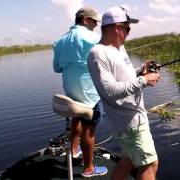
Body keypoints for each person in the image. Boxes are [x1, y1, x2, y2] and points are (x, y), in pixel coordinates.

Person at [87, 6, 160, 180]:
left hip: (134, 118)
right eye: (127, 28)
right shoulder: (98, 54)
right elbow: (109, 91)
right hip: (129, 123)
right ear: (117, 27)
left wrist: (140, 71)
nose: (129, 32)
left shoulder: (119, 48)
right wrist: (144, 80)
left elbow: (123, 77)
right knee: (150, 164)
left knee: (128, 160)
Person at [52, 6, 107, 177]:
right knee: (89, 130)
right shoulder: (92, 38)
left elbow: (57, 68)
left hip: (71, 92)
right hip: (91, 95)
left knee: (77, 117)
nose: (96, 25)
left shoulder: (60, 41)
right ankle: (89, 168)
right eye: (94, 22)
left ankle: (75, 150)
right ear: (85, 20)